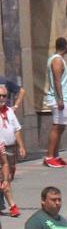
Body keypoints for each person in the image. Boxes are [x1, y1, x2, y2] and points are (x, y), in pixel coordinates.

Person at [43, 36, 67, 168]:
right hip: (58, 98)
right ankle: (49, 156)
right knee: (57, 126)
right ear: (64, 46)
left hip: (62, 97)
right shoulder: (57, 60)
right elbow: (57, 80)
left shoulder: (58, 59)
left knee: (61, 127)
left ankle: (56, 155)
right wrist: (59, 98)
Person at [0, 85, 24, 215]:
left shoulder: (9, 111)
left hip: (10, 148)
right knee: (5, 178)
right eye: (0, 96)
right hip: (0, 149)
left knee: (9, 175)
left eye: (4, 96)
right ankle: (13, 206)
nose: (2, 98)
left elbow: (17, 129)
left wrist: (21, 146)